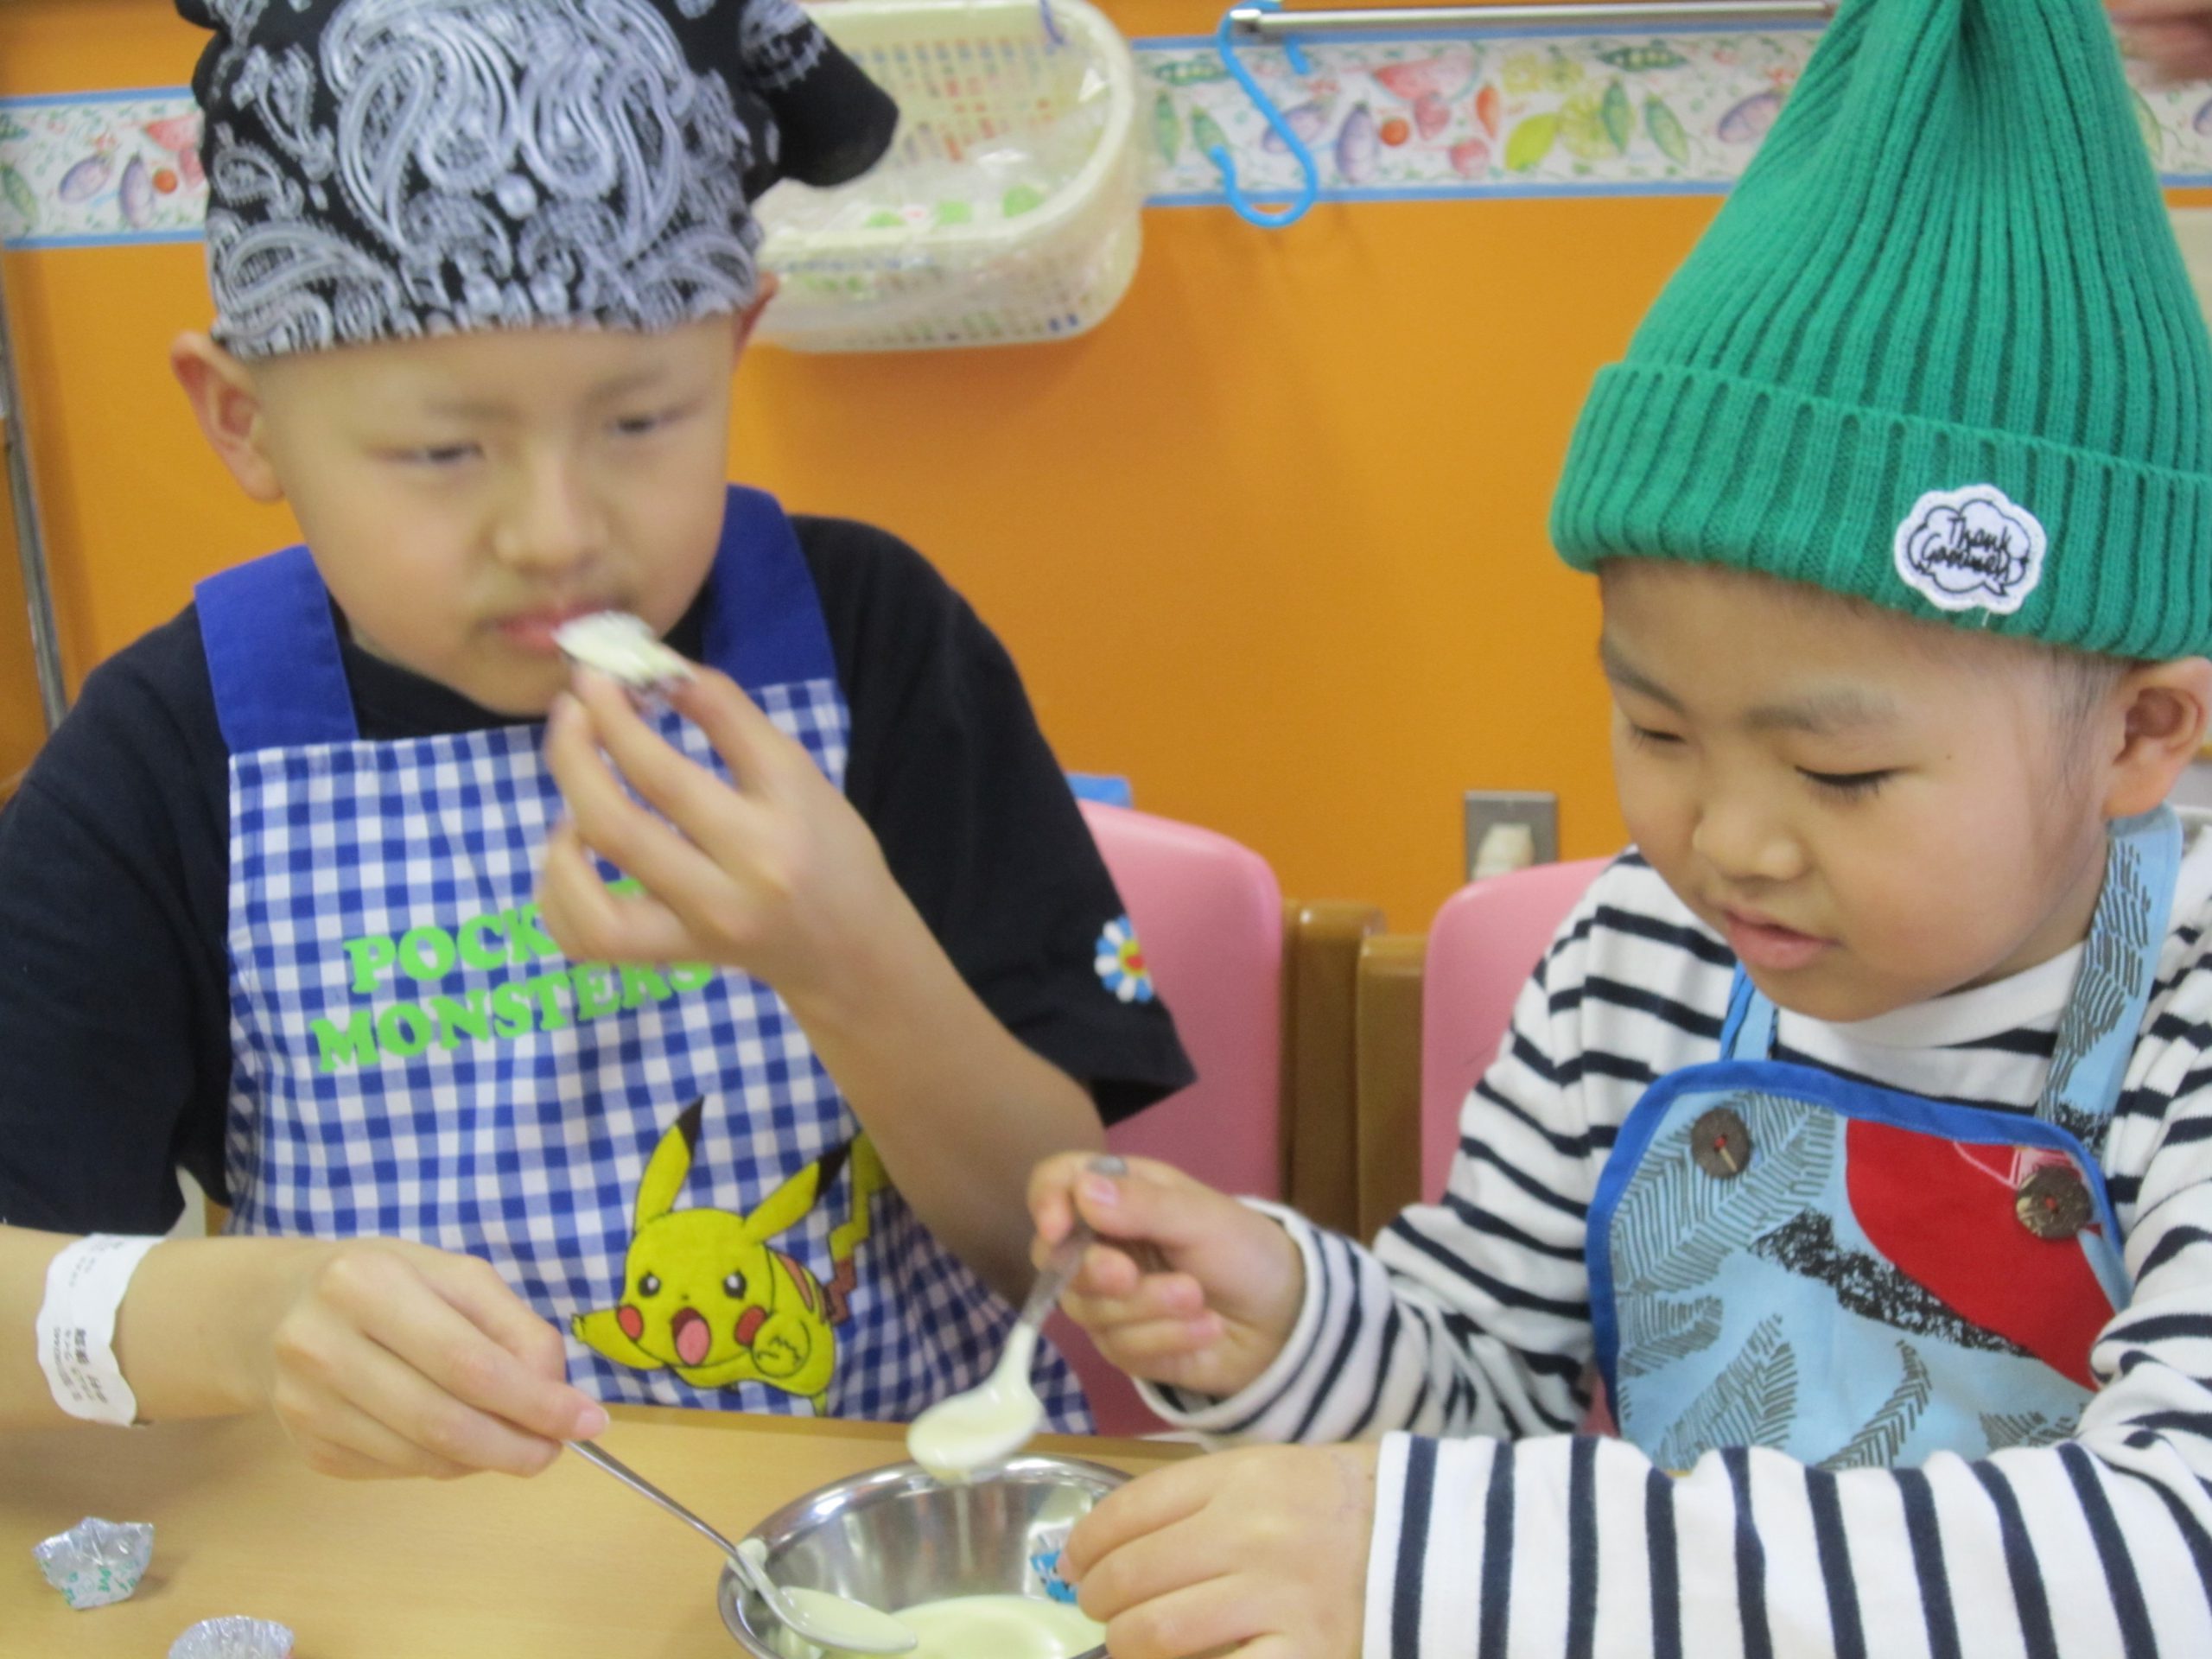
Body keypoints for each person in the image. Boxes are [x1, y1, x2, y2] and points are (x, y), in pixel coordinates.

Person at [1028, 1, 2212, 1653]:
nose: (1725, 838)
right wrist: (1290, 1321)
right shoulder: (1636, 952)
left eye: (1840, 776)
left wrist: (1452, 1566)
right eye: (1657, 729)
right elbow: (1485, 1378)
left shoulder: (2186, 1018)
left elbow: (2171, 1552)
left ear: (2143, 735)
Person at [0, 0, 1189, 1479]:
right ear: (242, 420)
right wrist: (243, 1317)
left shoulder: (874, 647)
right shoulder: (175, 753)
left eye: (642, 422)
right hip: (423, 1585)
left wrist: (842, 953)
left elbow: (1054, 1254)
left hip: (902, 1533)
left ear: (738, 345)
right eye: (443, 452)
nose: (557, 535)